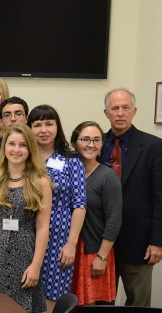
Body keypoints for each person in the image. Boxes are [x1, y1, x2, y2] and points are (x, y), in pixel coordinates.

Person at [0, 124, 52, 313]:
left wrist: (36, 265)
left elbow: (42, 227)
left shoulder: (41, 183)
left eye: (23, 145)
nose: (16, 150)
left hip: (25, 252)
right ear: (4, 147)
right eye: (12, 144)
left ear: (30, 149)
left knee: (22, 305)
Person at [99, 88, 162, 307]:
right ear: (106, 112)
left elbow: (160, 197)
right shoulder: (96, 145)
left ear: (134, 111)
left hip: (139, 242)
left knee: (138, 303)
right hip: (99, 242)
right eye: (114, 108)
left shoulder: (154, 147)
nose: (120, 113)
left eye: (125, 108)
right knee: (101, 302)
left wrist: (157, 241)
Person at [27, 104, 86, 302]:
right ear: (29, 128)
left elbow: (79, 204)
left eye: (49, 124)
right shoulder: (24, 158)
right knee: (25, 290)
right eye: (37, 125)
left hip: (59, 234)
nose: (43, 130)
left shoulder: (71, 159)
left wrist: (71, 244)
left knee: (52, 294)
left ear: (57, 126)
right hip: (27, 231)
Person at [70, 121, 122, 306]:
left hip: (93, 253)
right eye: (85, 139)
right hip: (68, 251)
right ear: (75, 142)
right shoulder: (67, 172)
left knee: (90, 306)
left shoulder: (107, 176)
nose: (90, 145)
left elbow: (114, 219)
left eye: (96, 140)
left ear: (102, 145)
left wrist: (102, 257)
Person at [0, 97, 29, 161]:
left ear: (26, 119)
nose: (13, 119)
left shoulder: (36, 147)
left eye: (18, 114)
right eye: (7, 115)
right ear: (0, 122)